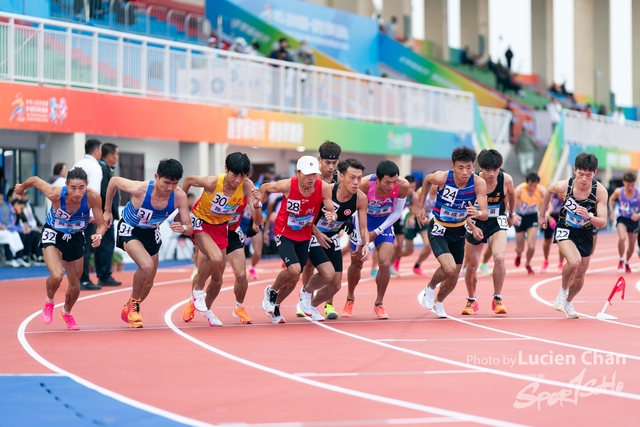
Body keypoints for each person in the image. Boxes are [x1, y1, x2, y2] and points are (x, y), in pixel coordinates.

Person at [103, 159, 193, 328]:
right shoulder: (141, 189)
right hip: (130, 229)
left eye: (174, 183)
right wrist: (107, 211)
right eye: (166, 183)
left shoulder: (179, 196)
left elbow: (189, 228)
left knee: (149, 283)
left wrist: (182, 227)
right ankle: (135, 308)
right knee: (146, 266)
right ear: (156, 177)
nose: (169, 188)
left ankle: (128, 307)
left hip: (152, 233)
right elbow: (113, 181)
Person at [14, 168, 106, 330]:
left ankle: (67, 312)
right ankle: (49, 302)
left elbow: (101, 224)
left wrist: (98, 235)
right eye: (73, 188)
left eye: (81, 188)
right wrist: (22, 187)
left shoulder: (92, 197)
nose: (77, 193)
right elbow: (35, 179)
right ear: (66, 185)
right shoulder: (55, 194)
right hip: (53, 233)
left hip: (76, 237)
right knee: (56, 275)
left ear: (87, 186)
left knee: (75, 285)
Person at [181, 152, 261, 327]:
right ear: (226, 169)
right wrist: (181, 210)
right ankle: (196, 293)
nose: (238, 180)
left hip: (223, 228)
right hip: (201, 223)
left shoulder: (247, 186)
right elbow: (187, 181)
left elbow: (257, 219)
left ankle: (207, 310)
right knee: (214, 258)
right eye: (234, 174)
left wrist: (256, 206)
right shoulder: (211, 182)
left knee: (218, 279)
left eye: (243, 175)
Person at [260, 156, 336, 324]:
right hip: (284, 232)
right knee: (294, 270)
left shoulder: (323, 188)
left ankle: (276, 305)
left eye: (314, 174)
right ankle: (271, 291)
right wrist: (258, 207)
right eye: (307, 174)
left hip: (305, 235)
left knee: (295, 277)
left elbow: (331, 207)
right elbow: (265, 187)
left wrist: (332, 214)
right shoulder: (287, 185)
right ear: (297, 172)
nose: (311, 178)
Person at [418, 146, 488, 318]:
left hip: (459, 230)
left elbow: (485, 214)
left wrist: (477, 214)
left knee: (455, 275)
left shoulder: (478, 183)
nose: (465, 172)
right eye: (460, 167)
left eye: (469, 167)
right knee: (449, 269)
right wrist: (420, 208)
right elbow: (427, 180)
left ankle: (439, 302)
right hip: (439, 228)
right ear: (453, 167)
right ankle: (430, 287)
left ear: (473, 167)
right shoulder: (443, 178)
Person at [298, 158, 370, 321]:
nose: (356, 182)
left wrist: (366, 244)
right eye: (352, 177)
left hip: (332, 238)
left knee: (336, 284)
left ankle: (310, 306)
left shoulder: (360, 199)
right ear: (341, 176)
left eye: (359, 178)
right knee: (327, 274)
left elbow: (364, 228)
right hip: (314, 235)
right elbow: (306, 215)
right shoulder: (326, 191)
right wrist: (316, 232)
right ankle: (306, 292)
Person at [539, 153, 608, 318]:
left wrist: (589, 216)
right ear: (574, 170)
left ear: (595, 173)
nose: (584, 179)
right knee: (574, 261)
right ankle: (563, 291)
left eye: (588, 175)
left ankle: (568, 302)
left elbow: (603, 223)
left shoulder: (600, 192)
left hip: (585, 232)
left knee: (581, 274)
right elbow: (548, 190)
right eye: (580, 174)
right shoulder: (565, 186)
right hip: (565, 228)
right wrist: (542, 215)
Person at [341, 160, 411, 319]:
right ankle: (350, 298)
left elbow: (397, 213)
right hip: (363, 221)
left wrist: (378, 231)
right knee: (357, 263)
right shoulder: (365, 184)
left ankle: (379, 303)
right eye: (387, 182)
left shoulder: (403, 186)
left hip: (384, 223)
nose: (391, 186)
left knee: (385, 263)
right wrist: (364, 237)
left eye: (394, 182)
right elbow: (358, 212)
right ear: (377, 179)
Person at [462, 150, 515, 315]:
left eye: (495, 169)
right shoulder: (471, 182)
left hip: (496, 220)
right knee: (471, 266)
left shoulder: (505, 180)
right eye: (487, 170)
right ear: (480, 168)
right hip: (475, 222)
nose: (491, 174)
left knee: (499, 258)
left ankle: (497, 298)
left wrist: (511, 214)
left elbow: (512, 196)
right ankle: (471, 300)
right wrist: (472, 226)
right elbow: (460, 209)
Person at [297, 141, 343, 319]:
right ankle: (305, 300)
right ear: (319, 160)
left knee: (332, 272)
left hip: (331, 230)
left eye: (334, 163)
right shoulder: (311, 178)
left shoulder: (340, 179)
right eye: (327, 163)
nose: (331, 167)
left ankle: (328, 305)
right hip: (310, 227)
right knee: (309, 265)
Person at [73, 139, 103, 291]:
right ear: (97, 151)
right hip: (86, 214)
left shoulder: (77, 164)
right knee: (86, 248)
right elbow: (94, 193)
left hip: (72, 213)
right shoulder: (95, 167)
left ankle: (76, 279)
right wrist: (92, 214)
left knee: (76, 246)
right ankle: (83, 279)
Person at [95, 143, 122, 287]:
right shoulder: (103, 169)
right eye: (116, 154)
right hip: (106, 214)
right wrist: (108, 212)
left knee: (103, 244)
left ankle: (103, 274)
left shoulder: (105, 169)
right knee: (106, 244)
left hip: (105, 213)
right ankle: (104, 275)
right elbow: (106, 193)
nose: (117, 158)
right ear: (110, 155)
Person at [398, 183, 437, 276]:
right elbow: (413, 205)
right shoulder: (422, 191)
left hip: (424, 221)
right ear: (432, 184)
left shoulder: (440, 194)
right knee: (409, 251)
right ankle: (396, 257)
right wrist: (418, 215)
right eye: (437, 184)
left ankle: (417, 266)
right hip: (413, 219)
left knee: (428, 245)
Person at [513, 172, 545, 274]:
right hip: (519, 217)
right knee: (520, 248)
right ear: (526, 183)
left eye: (534, 185)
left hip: (532, 217)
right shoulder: (519, 190)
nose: (532, 188)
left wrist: (544, 213)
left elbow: (548, 200)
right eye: (530, 185)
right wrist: (513, 214)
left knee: (531, 245)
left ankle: (528, 263)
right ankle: (518, 255)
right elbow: (510, 203)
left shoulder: (540, 190)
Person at [608, 172, 639, 273]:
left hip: (634, 220)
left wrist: (638, 215)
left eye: (632, 185)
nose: (630, 187)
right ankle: (621, 258)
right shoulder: (618, 192)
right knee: (622, 237)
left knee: (632, 245)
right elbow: (611, 199)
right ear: (624, 182)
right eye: (628, 185)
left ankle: (626, 261)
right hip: (622, 218)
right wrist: (612, 212)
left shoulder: (638, 193)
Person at [541, 193, 565, 273]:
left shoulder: (567, 197)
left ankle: (561, 264)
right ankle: (546, 260)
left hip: (561, 219)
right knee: (547, 241)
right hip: (550, 217)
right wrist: (549, 218)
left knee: (561, 241)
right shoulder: (552, 196)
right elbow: (545, 209)